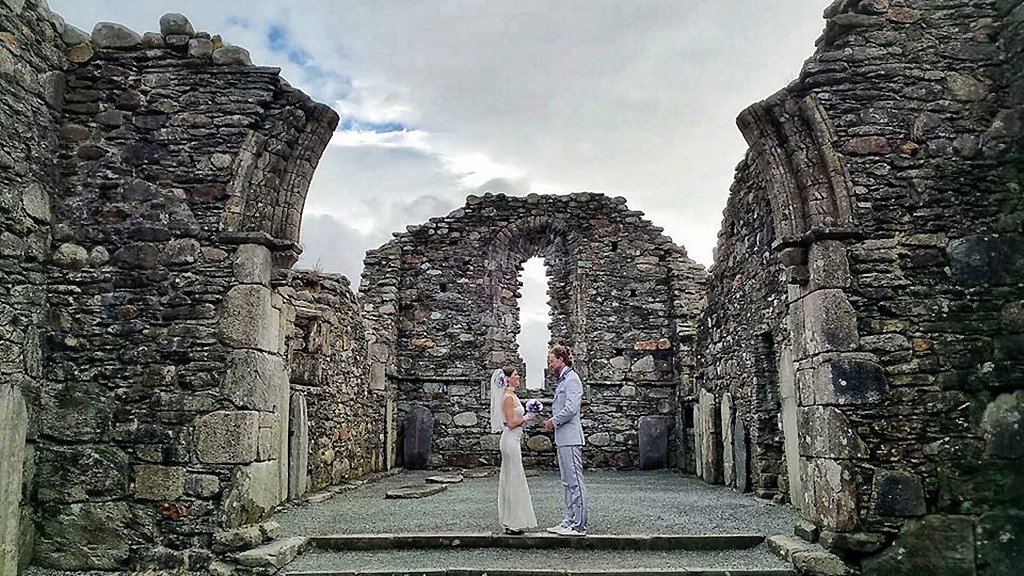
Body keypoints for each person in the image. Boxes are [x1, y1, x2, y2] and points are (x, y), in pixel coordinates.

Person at [543, 345, 588, 536]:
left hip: (570, 437)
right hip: (563, 438)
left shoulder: (572, 379)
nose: (550, 365)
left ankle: (579, 525)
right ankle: (569, 521)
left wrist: (553, 421)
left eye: (552, 361)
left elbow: (571, 409)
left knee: (575, 481)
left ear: (561, 360)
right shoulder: (563, 380)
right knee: (567, 481)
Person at [489, 366, 537, 535]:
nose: (519, 377)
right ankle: (512, 522)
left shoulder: (512, 395)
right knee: (513, 477)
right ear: (508, 379)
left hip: (514, 439)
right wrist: (527, 416)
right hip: (510, 439)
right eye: (516, 375)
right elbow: (510, 423)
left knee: (514, 477)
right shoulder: (508, 397)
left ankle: (514, 520)